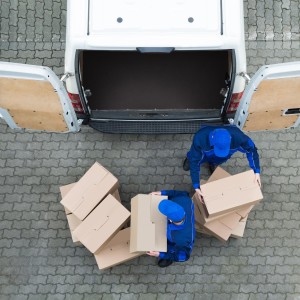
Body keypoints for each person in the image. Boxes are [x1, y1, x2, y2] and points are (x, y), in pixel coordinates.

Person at [183, 125, 261, 197]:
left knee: (218, 160)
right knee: (194, 157)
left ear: (230, 139)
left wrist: (256, 171)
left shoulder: (239, 137)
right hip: (205, 152)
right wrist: (196, 185)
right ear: (212, 141)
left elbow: (252, 150)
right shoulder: (200, 138)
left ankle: (212, 163)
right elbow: (195, 161)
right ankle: (188, 159)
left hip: (222, 157)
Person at [146, 190, 195, 268]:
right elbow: (180, 192)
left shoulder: (181, 241)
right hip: (176, 232)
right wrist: (162, 193)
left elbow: (183, 257)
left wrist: (160, 254)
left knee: (168, 250)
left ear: (170, 220)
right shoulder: (184, 199)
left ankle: (168, 258)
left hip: (175, 245)